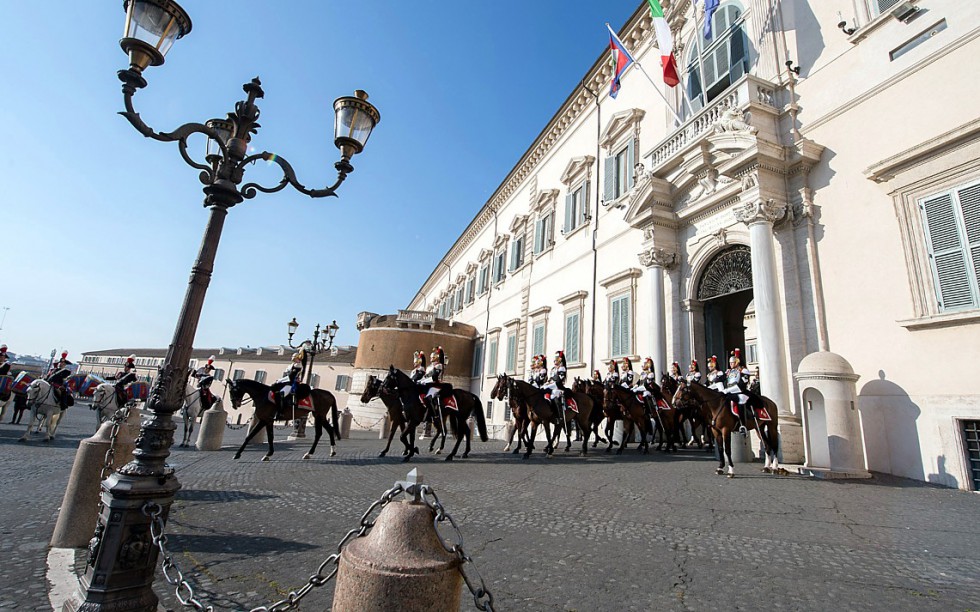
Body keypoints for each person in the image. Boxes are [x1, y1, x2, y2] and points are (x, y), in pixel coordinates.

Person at [722, 348, 758, 434]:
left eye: (732, 362)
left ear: (737, 362)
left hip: (741, 392)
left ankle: (743, 425)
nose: (730, 364)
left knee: (741, 399)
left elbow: (742, 385)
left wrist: (727, 390)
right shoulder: (729, 371)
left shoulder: (743, 370)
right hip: (730, 392)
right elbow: (720, 379)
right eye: (730, 363)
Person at [271, 350, 305, 415]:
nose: (295, 360)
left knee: (279, 395)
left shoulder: (298, 366)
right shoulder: (292, 365)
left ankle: (280, 411)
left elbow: (290, 377)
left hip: (291, 384)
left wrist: (280, 380)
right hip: (285, 382)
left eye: (296, 359)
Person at [420, 346, 451, 413]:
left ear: (436, 357)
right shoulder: (429, 367)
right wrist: (420, 381)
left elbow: (434, 377)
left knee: (428, 398)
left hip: (435, 385)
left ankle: (434, 414)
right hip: (428, 384)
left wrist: (423, 381)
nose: (431, 358)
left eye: (432, 357)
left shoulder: (438, 365)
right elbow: (425, 376)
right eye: (431, 357)